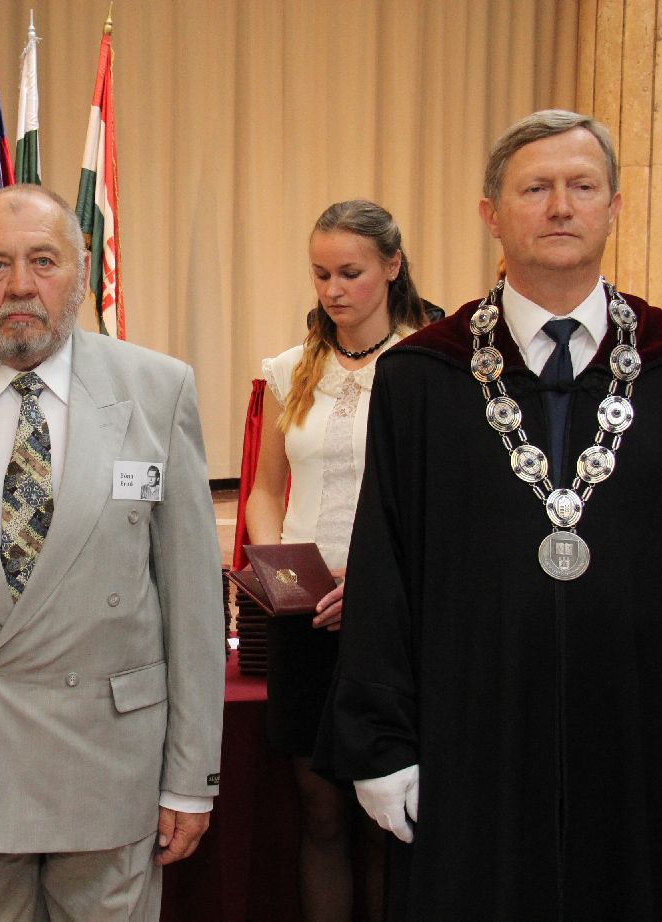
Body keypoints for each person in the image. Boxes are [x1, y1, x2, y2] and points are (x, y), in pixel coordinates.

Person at [315, 110, 662, 920]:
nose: (561, 207)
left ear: (614, 207)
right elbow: (384, 566)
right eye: (536, 189)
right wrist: (380, 743)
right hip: (473, 737)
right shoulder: (423, 378)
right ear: (491, 214)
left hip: (648, 740)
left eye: (583, 187)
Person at [0, 184, 224, 922]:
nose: (20, 285)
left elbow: (191, 604)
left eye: (43, 261)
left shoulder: (158, 390)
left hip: (110, 767)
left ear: (81, 273)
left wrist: (190, 778)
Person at [246, 200, 429, 922]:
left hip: (391, 616)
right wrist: (280, 570)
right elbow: (265, 492)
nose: (333, 289)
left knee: (387, 817)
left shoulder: (425, 364)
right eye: (320, 274)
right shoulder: (291, 368)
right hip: (305, 614)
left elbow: (442, 507)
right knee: (319, 813)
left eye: (350, 272)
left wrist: (376, 584)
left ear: (392, 266)